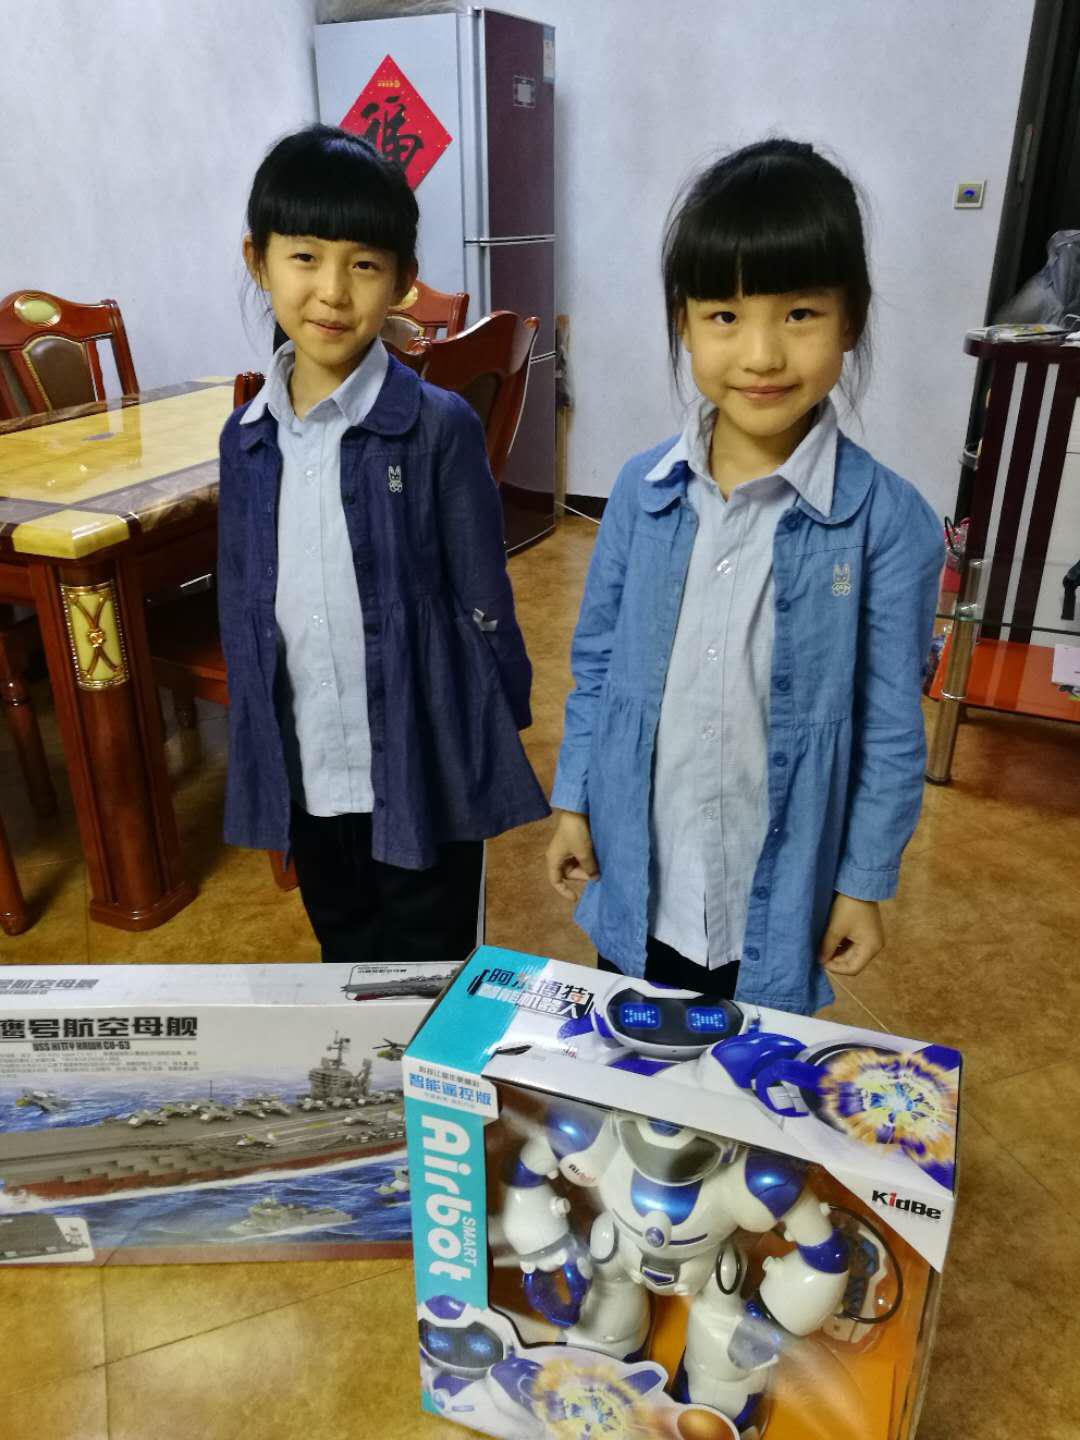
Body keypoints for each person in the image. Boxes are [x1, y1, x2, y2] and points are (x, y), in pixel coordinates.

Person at [545, 139, 942, 1015]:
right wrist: (575, 800)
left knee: (747, 1077)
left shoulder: (889, 523)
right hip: (640, 878)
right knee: (637, 1059)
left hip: (775, 904)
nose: (761, 354)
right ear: (683, 323)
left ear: (851, 320)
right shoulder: (641, 494)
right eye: (725, 315)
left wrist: (864, 881)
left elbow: (889, 728)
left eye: (799, 313)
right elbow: (598, 667)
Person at [218, 125, 548, 963]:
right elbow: (242, 602)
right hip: (311, 766)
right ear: (259, 261)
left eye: (364, 264)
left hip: (420, 758)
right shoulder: (245, 437)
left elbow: (484, 594)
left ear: (402, 280)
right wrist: (258, 748)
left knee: (433, 962)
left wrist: (493, 726)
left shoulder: (437, 426)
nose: (332, 291)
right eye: (304, 257)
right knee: (345, 954)